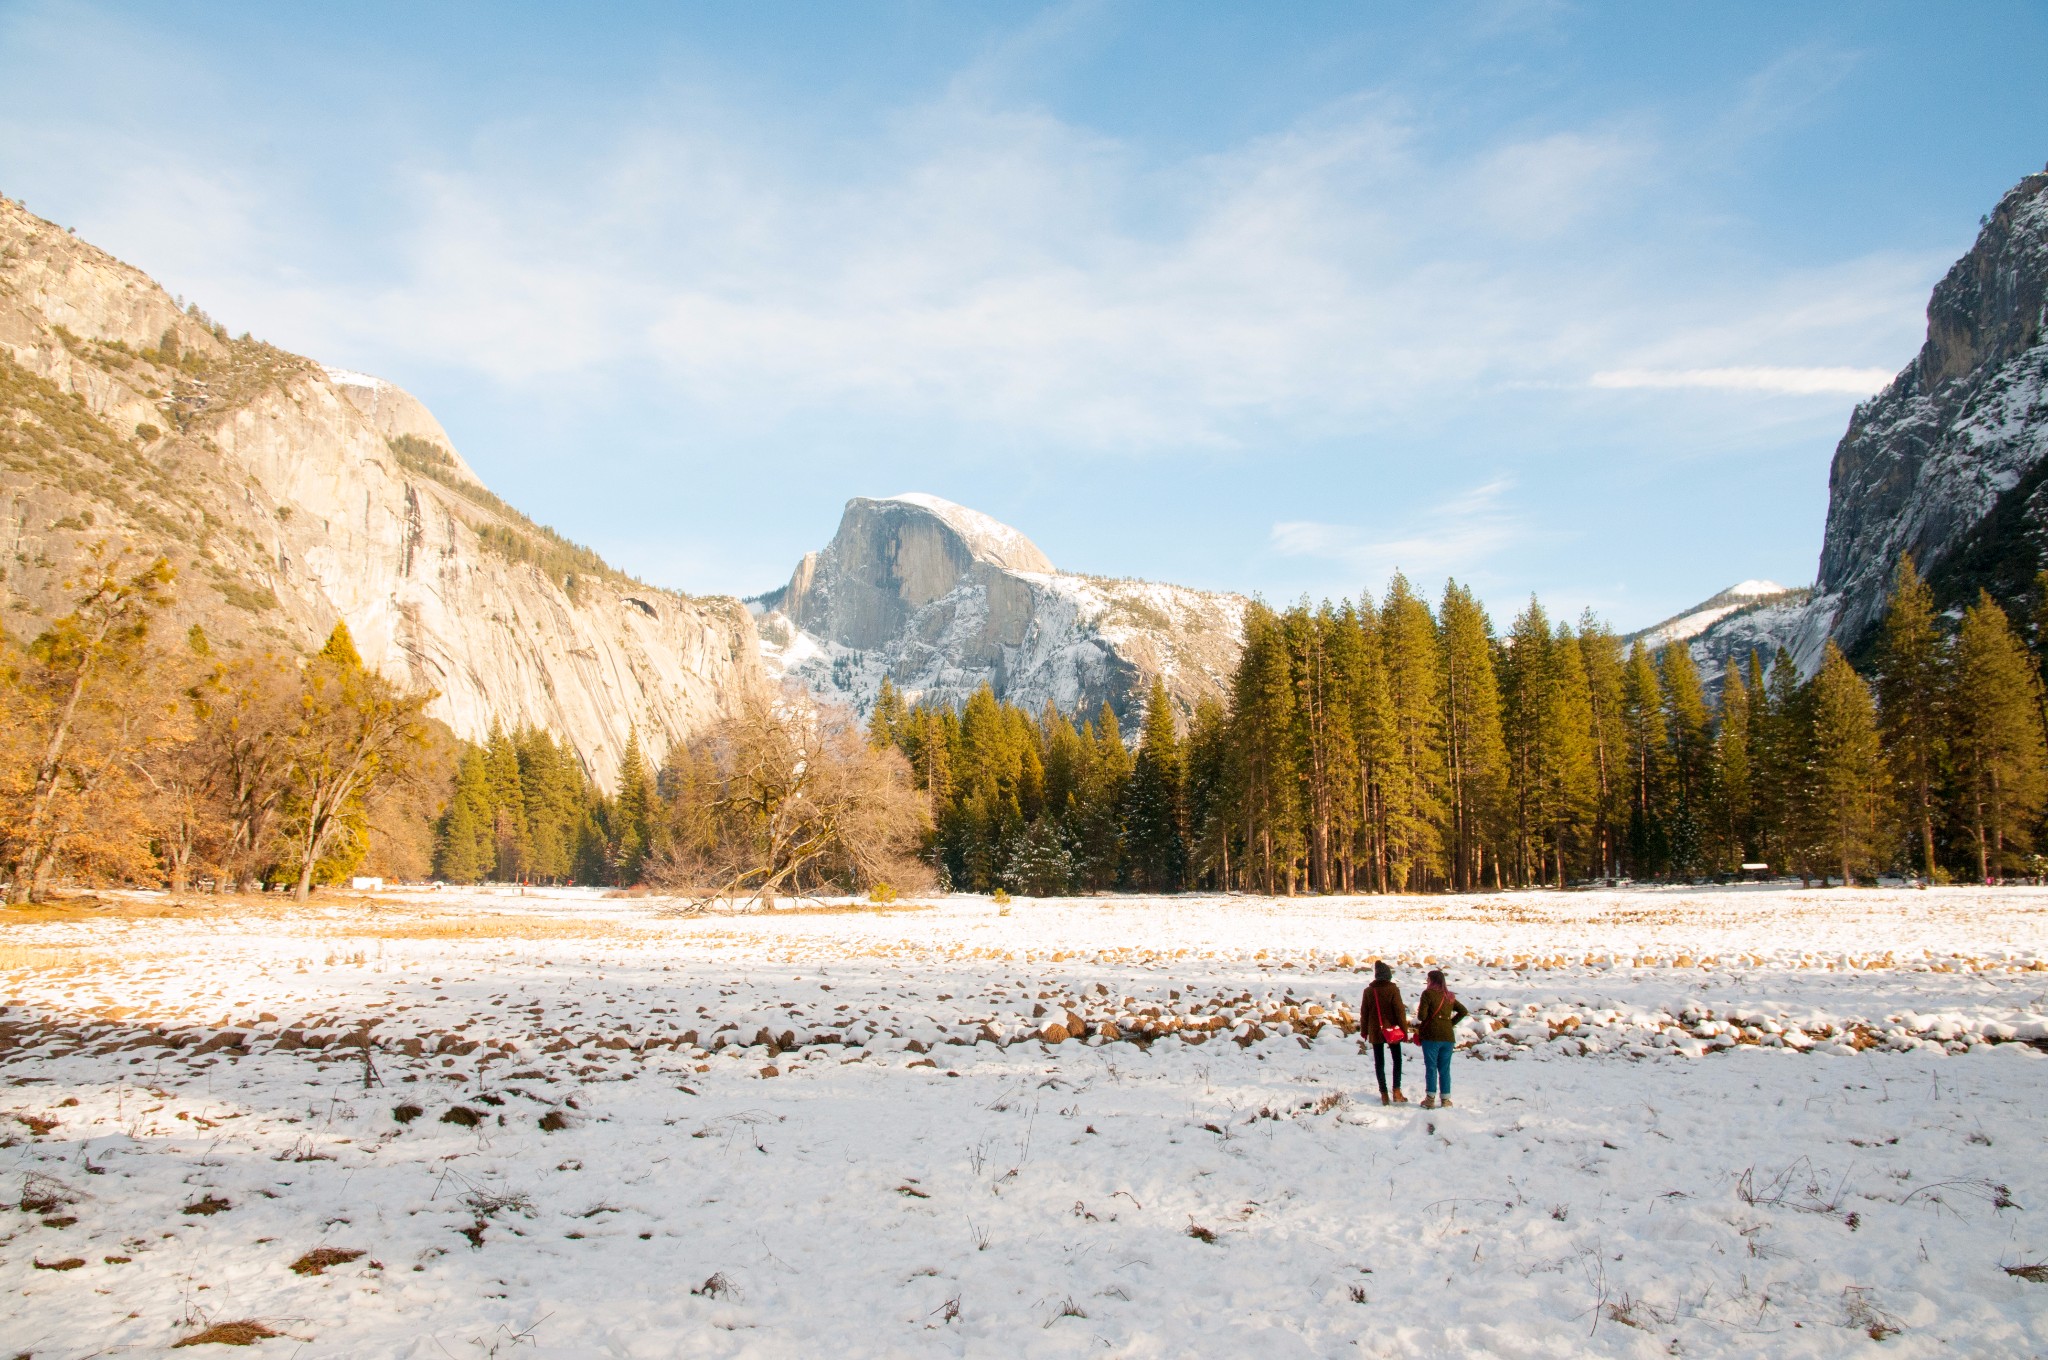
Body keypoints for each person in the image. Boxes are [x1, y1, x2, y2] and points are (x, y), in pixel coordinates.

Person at [1414, 968, 1469, 1109]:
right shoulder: (1449, 996)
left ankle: (1430, 1099)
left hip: (1431, 1036)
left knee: (1431, 1067)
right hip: (1448, 1037)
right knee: (1444, 1068)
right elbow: (1463, 1011)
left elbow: (1422, 1016)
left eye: (1428, 979)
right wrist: (1449, 1023)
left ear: (1431, 981)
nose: (1427, 981)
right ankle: (1445, 1099)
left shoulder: (1427, 994)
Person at [1359, 960, 1408, 1106]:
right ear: (1388, 975)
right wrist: (1404, 1031)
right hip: (1391, 1030)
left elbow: (1364, 1013)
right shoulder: (1393, 990)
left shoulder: (1368, 991)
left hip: (1375, 1030)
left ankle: (1384, 1094)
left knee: (1379, 1062)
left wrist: (1364, 1031)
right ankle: (1397, 1091)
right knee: (1397, 1060)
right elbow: (1400, 1011)